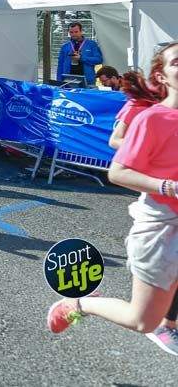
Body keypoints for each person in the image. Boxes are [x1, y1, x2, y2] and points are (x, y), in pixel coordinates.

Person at [47, 42, 178, 351]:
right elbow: (117, 173)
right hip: (161, 225)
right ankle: (79, 305)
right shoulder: (153, 119)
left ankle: (169, 323)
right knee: (141, 320)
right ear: (161, 77)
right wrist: (169, 186)